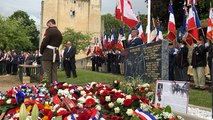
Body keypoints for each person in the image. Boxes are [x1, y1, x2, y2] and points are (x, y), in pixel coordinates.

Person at [40, 19, 62, 85]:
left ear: (50, 23)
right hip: (56, 53)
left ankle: (47, 88)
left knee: (47, 72)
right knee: (54, 72)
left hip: (48, 54)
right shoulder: (59, 32)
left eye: (48, 25)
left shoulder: (49, 31)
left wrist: (41, 51)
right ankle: (55, 87)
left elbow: (44, 42)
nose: (48, 27)